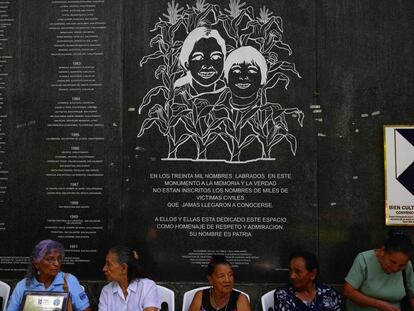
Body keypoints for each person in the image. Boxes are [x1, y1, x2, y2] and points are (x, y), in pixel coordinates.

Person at [7, 239, 91, 311]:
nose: (57, 264)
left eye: (59, 259)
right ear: (36, 263)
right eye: (50, 259)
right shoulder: (23, 286)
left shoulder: (69, 281)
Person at [343, 229, 414, 311]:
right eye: (392, 262)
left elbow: (412, 296)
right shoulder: (364, 259)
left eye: (402, 265)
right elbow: (348, 291)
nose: (395, 268)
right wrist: (381, 305)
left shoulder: (407, 266)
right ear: (382, 251)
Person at [98, 245, 160, 311]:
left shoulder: (147, 286)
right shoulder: (106, 291)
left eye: (109, 264)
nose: (104, 269)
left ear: (124, 268)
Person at [274, 251, 342, 311]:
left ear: (313, 274)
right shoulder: (283, 295)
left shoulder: (330, 294)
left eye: (298, 271)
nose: (292, 276)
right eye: (291, 271)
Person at [174, 26, 226, 96]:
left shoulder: (227, 91)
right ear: (187, 64)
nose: (207, 66)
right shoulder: (179, 91)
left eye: (216, 57)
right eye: (198, 58)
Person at [223, 46, 268, 111]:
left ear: (262, 80)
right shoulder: (214, 113)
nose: (243, 77)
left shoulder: (269, 112)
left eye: (252, 71)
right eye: (236, 71)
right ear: (226, 79)